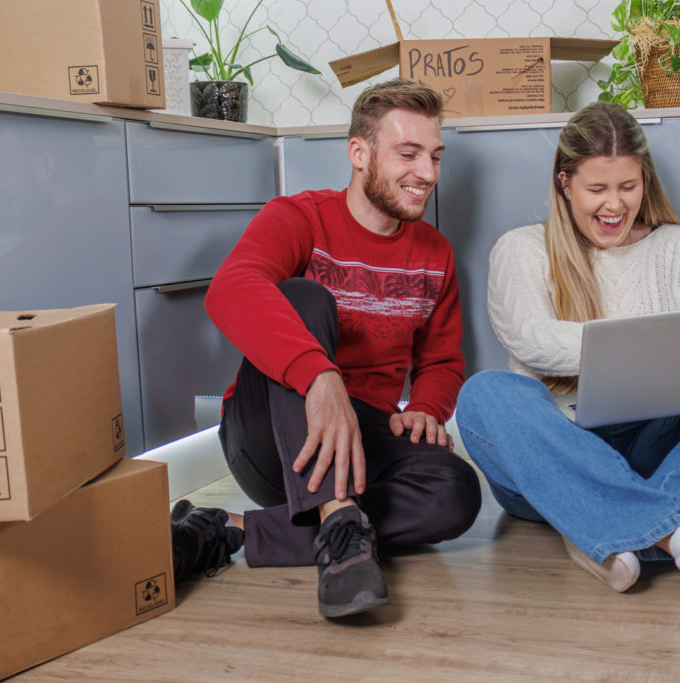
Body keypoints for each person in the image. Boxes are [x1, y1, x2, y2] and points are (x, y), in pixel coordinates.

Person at [455, 101, 680, 614]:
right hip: (556, 449)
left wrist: (668, 357)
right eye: (597, 189)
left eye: (628, 187)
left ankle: (606, 529)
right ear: (564, 183)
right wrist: (637, 345)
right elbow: (532, 340)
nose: (614, 205)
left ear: (645, 180)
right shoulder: (521, 249)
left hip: (657, 441)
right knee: (484, 396)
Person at [173, 78, 482, 618]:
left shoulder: (436, 254)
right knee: (302, 297)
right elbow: (231, 289)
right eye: (408, 155)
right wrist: (321, 376)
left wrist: (428, 409)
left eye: (435, 156)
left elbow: (441, 360)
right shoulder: (299, 218)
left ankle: (232, 531)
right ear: (359, 153)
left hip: (365, 438)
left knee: (455, 491)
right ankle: (338, 522)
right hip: (271, 433)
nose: (428, 174)